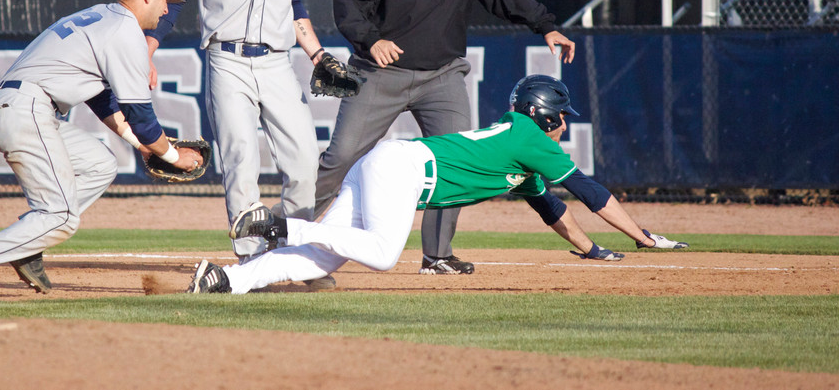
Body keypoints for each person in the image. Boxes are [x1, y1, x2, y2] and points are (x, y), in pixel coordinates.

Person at [186, 75, 687, 294]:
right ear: (544, 115)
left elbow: (552, 208)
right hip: (403, 171)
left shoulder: (520, 144)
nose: (561, 128)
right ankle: (282, 227)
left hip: (390, 164)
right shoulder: (531, 136)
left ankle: (226, 279)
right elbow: (590, 191)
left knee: (325, 258)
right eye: (559, 119)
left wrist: (593, 250)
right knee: (382, 254)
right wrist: (643, 236)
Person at [314, 0, 576, 276]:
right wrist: (371, 40)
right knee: (342, 156)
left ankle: (437, 255)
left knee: (456, 161)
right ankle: (280, 232)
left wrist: (546, 26)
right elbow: (348, 4)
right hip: (381, 73)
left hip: (442, 75)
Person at [0, 0, 204, 302]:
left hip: (11, 108)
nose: (167, 9)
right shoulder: (125, 32)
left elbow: (103, 99)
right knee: (61, 216)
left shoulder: (101, 16)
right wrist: (173, 155)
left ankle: (29, 245)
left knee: (100, 163)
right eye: (165, 0)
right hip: (26, 112)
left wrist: (141, 145)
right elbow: (141, 115)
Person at [144, 0, 330, 266]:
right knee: (241, 161)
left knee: (303, 163)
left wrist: (316, 53)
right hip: (227, 60)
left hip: (278, 61)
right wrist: (150, 45)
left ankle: (293, 251)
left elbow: (297, 6)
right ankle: (252, 260)